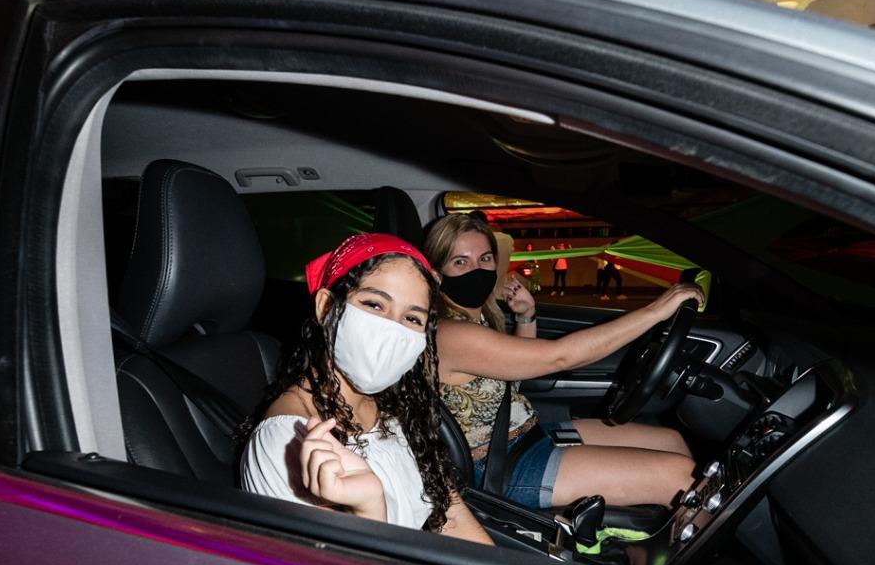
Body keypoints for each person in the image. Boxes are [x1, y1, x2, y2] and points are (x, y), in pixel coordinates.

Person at [424, 213, 703, 510]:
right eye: (461, 262)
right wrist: (656, 311)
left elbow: (510, 378)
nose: (477, 270)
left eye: (485, 258)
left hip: (527, 436)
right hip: (499, 467)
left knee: (671, 441)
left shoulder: (475, 318)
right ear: (437, 275)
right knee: (681, 476)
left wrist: (526, 317)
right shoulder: (449, 333)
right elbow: (561, 356)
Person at [241, 233, 492, 545]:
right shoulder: (287, 441)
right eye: (374, 304)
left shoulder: (397, 407)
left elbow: (451, 517)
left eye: (412, 318)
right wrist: (369, 510)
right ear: (326, 307)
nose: (393, 329)